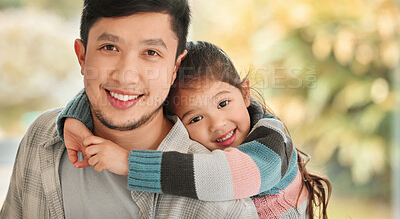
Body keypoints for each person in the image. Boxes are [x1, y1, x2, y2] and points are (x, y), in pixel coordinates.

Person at [0, 0, 259, 219]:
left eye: (151, 53)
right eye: (110, 47)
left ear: (174, 68)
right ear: (82, 56)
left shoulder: (223, 205)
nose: (126, 75)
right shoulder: (42, 139)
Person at [58, 41, 331, 218]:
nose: (218, 124)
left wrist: (128, 162)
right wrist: (75, 118)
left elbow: (225, 176)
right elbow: (124, 95)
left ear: (245, 93)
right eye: (195, 119)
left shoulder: (273, 140)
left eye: (223, 103)